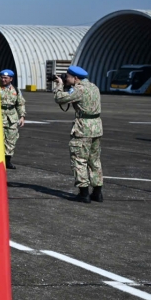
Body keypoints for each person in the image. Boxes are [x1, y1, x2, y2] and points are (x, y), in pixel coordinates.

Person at [52, 65, 103, 203]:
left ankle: (83, 193)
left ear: (75, 78)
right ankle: (97, 192)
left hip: (83, 128)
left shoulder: (79, 89)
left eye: (67, 77)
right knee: (94, 160)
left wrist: (59, 86)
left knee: (79, 159)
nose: (66, 79)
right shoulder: (93, 87)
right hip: (96, 127)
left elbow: (60, 99)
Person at [0, 69, 26, 169]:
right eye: (2, 77)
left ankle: (7, 160)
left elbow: (20, 104)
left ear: (11, 79)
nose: (3, 79)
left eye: (6, 78)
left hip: (12, 118)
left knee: (11, 140)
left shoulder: (16, 90)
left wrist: (22, 116)